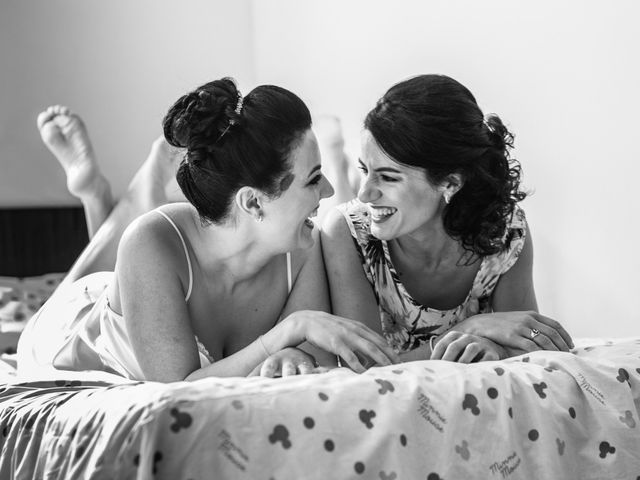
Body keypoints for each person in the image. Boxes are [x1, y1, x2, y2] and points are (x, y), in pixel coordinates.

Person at [17, 79, 399, 382]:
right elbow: (177, 387)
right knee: (81, 280)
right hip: (67, 335)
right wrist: (287, 332)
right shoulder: (153, 240)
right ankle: (99, 196)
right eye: (314, 179)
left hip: (140, 282)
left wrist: (291, 352)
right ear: (252, 202)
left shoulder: (303, 248)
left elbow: (308, 359)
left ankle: (103, 196)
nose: (330, 191)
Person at [321, 74, 574, 364]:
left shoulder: (505, 232)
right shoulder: (346, 233)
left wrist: (499, 350)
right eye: (365, 170)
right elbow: (366, 369)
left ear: (451, 183)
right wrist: (467, 330)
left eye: (388, 177)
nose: (365, 193)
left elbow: (526, 343)